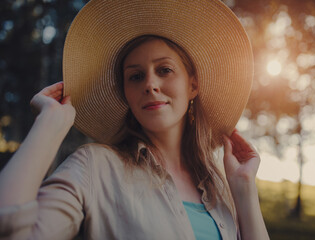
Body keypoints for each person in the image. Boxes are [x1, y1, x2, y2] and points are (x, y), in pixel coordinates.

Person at [0, 0, 269, 239]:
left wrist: (244, 189)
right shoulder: (94, 168)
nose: (150, 84)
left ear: (193, 86)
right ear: (126, 93)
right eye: (136, 76)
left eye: (164, 70)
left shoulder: (220, 186)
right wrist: (48, 124)